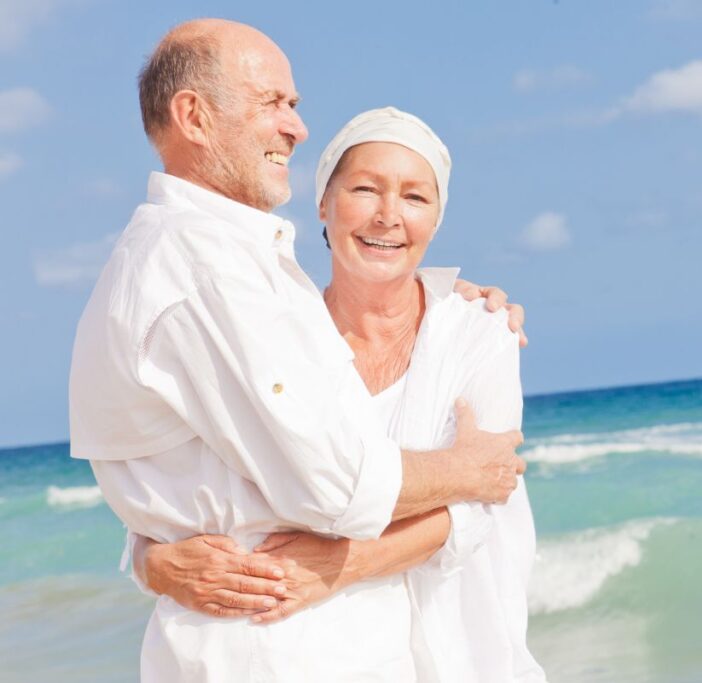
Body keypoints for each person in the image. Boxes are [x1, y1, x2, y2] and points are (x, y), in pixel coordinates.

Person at [70, 19, 530, 682]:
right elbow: (339, 484)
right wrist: (471, 469)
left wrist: (152, 551)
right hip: (282, 645)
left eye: (415, 196)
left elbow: (202, 470)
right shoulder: (212, 278)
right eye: (274, 104)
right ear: (194, 116)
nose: (296, 128)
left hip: (424, 646)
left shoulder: (467, 324)